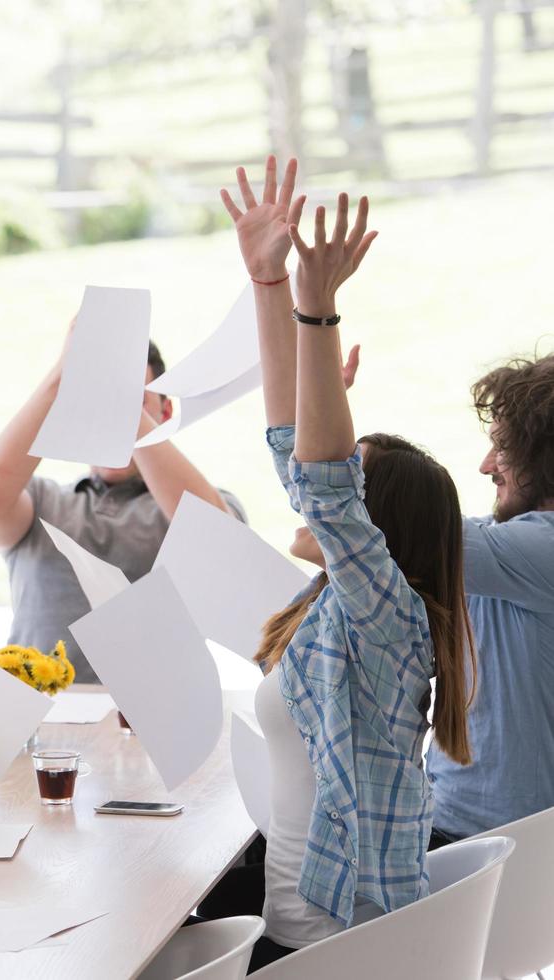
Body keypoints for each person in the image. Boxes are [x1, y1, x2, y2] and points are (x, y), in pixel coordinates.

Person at [210, 156, 476, 970]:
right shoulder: (341, 608)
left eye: (353, 488)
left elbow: (322, 486)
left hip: (341, 948)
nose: (312, 488)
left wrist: (314, 311)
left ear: (377, 521)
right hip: (312, 930)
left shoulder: (388, 618)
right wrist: (266, 284)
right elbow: (299, 454)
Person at [0, 324, 246, 682]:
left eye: (139, 400)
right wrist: (65, 375)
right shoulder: (42, 502)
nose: (108, 412)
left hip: (153, 727)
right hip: (40, 723)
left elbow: (218, 538)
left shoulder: (195, 503)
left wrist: (124, 403)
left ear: (164, 414)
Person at [426, 352, 554, 843]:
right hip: (449, 826)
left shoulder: (540, 549)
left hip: (507, 854)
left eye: (502, 450)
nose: (484, 467)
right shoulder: (504, 549)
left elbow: (396, 520)